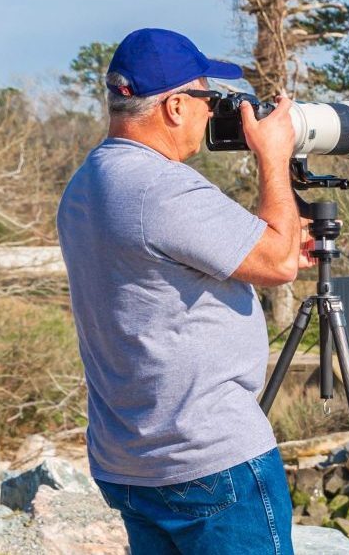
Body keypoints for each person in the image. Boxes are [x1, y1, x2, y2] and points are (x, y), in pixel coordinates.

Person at [57, 28, 310, 554]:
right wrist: (274, 157)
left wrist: (271, 239)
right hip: (208, 460)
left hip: (130, 458)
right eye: (208, 98)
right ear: (175, 106)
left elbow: (169, 267)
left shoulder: (86, 184)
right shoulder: (162, 188)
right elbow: (281, 262)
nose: (211, 112)